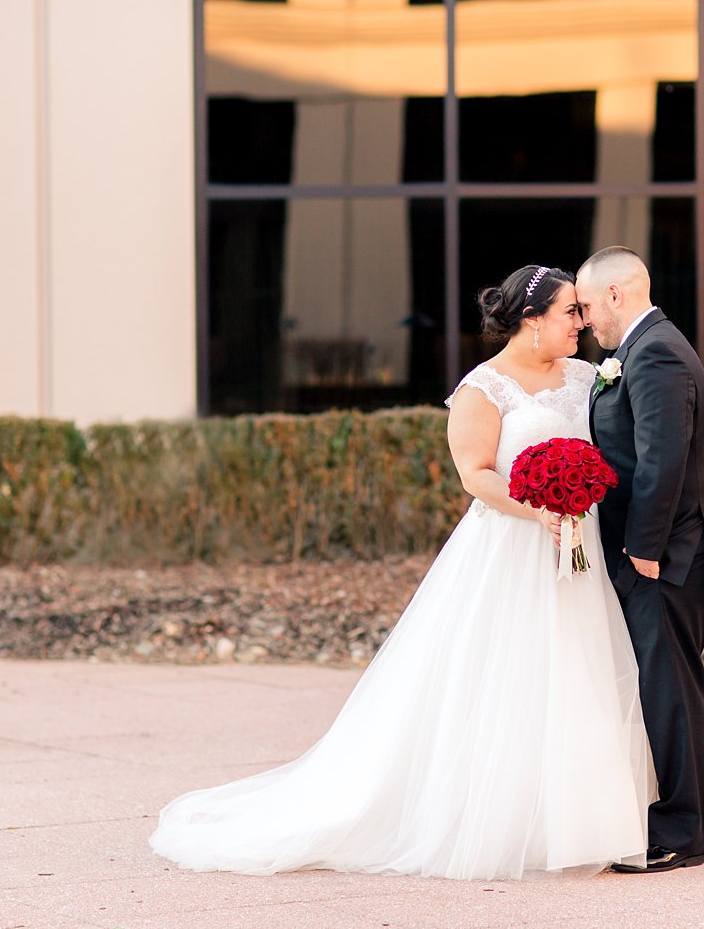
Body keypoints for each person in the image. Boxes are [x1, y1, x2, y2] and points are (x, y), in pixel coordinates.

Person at [149, 264, 654, 880]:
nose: (582, 322)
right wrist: (540, 510)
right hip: (514, 547)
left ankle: (579, 821)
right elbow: (475, 475)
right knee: (509, 677)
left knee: (580, 669)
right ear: (532, 319)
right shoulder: (483, 389)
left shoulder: (589, 376)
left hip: (583, 545)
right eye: (570, 312)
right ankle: (496, 817)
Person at [575, 245, 704, 874]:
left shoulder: (657, 352)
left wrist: (643, 549)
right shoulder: (639, 351)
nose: (584, 319)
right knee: (665, 686)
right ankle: (673, 821)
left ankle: (680, 834)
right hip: (660, 553)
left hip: (665, 558)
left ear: (617, 294)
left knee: (671, 690)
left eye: (587, 305)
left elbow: (665, 458)